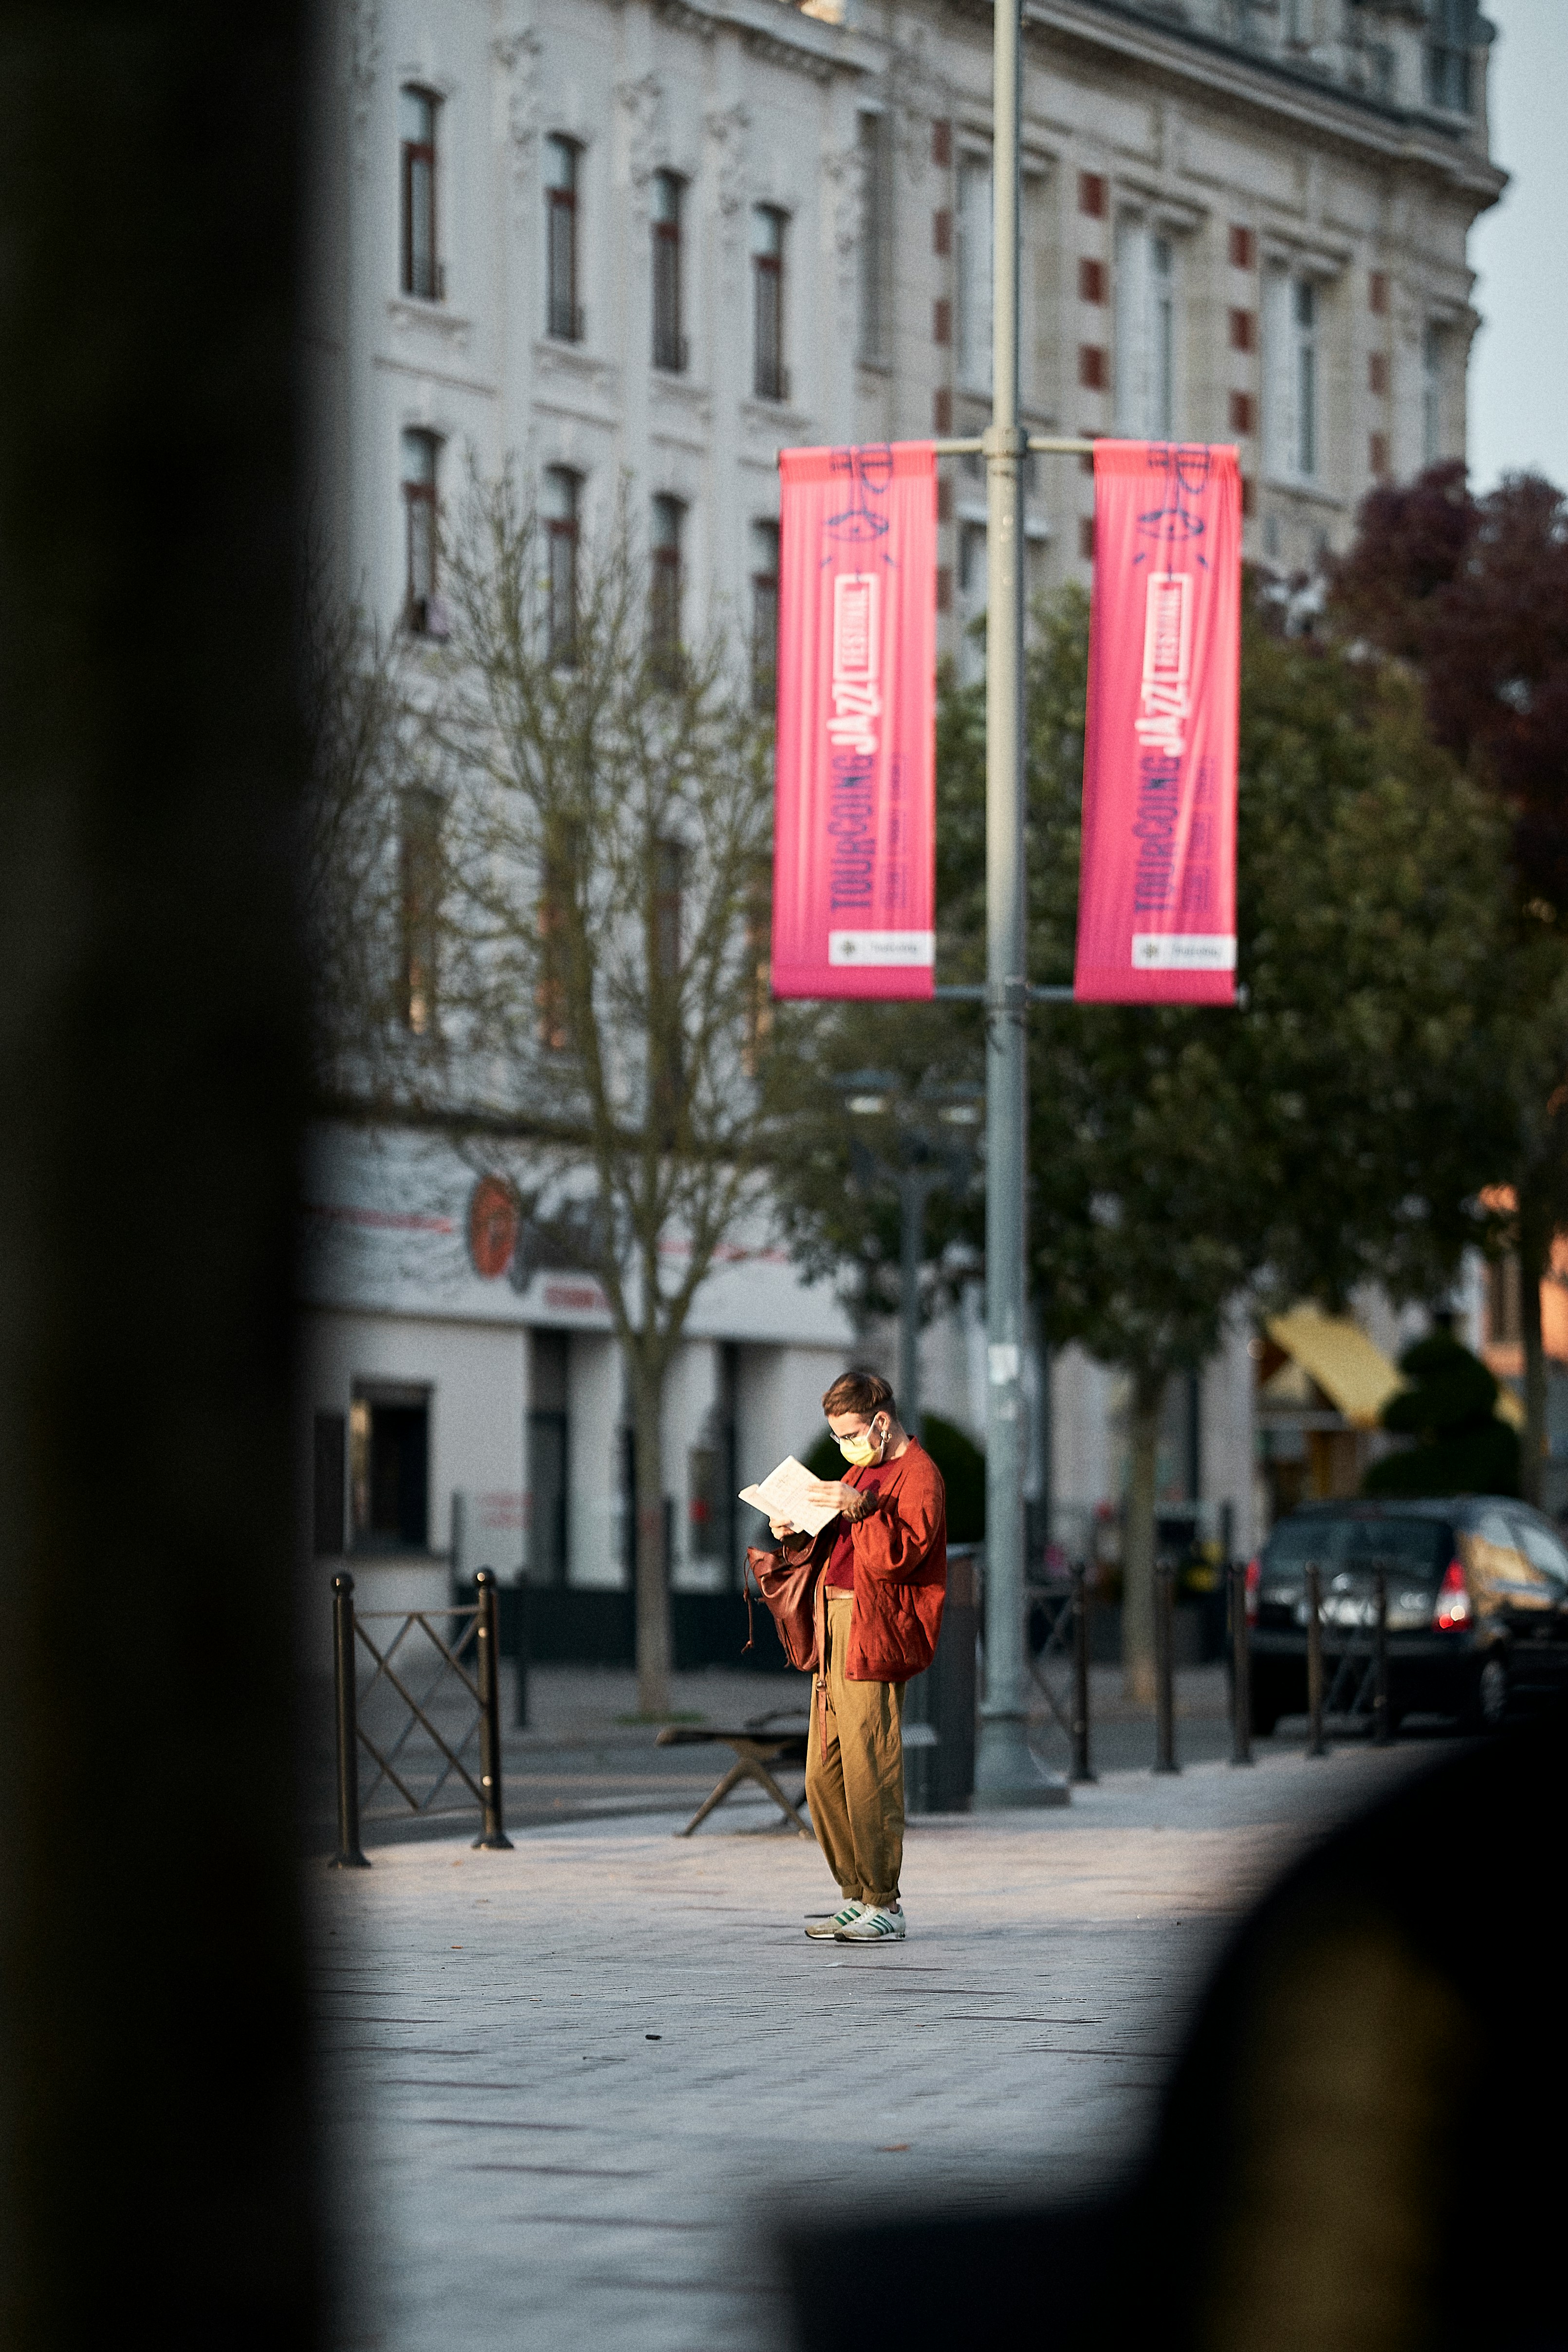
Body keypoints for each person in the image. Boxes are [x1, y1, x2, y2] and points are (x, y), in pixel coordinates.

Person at [768, 1370, 947, 1944]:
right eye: (837, 1434)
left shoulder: (919, 1475)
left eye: (849, 1432)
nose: (844, 1444)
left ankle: (883, 1900)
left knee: (871, 1767)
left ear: (881, 1421)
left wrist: (860, 1507)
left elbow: (901, 1556)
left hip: (873, 1628)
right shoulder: (860, 1469)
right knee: (823, 1774)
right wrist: (791, 1530)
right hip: (833, 1622)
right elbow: (827, 1542)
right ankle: (854, 1892)